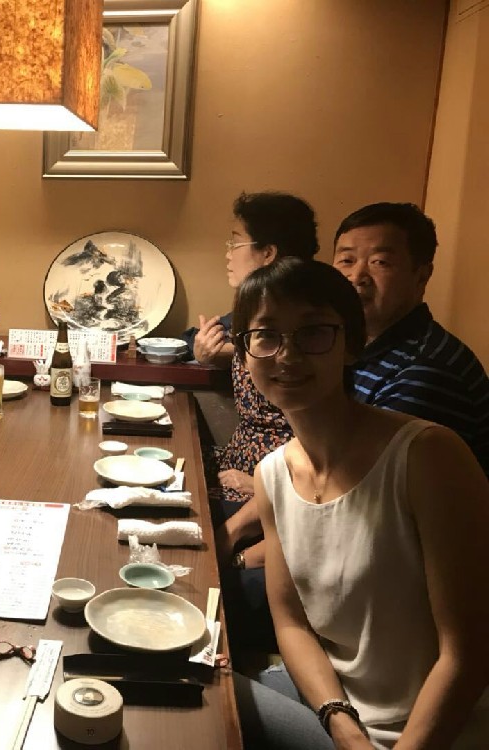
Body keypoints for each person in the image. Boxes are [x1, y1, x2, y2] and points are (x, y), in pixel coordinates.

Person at [232, 258, 489, 750]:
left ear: (351, 344)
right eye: (266, 335)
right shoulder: (272, 475)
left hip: (434, 732)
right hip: (339, 711)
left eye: (313, 332)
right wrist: (341, 722)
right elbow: (292, 624)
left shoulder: (427, 455)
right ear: (245, 354)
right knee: (184, 688)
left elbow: (470, 654)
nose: (287, 354)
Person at [192, 193, 319, 651]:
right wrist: (219, 352)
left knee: (188, 533)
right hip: (253, 473)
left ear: (267, 253)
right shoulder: (256, 309)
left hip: (269, 486)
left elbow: (313, 466)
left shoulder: (297, 328)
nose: (227, 253)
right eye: (262, 338)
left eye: (235, 242)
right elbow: (217, 341)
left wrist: (259, 497)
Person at [332, 202, 489, 473]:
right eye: (347, 260)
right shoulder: (348, 343)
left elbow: (370, 483)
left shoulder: (425, 371)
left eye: (380, 262)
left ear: (421, 276)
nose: (357, 276)